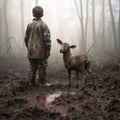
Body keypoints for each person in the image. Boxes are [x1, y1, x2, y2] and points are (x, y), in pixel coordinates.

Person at [24, 6, 51, 86]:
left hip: (31, 51)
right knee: (42, 66)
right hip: (40, 51)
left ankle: (31, 82)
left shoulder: (29, 25)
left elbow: (26, 38)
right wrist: (48, 50)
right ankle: (42, 83)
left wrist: (28, 47)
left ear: (33, 14)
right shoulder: (43, 25)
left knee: (32, 67)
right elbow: (47, 39)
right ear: (42, 14)